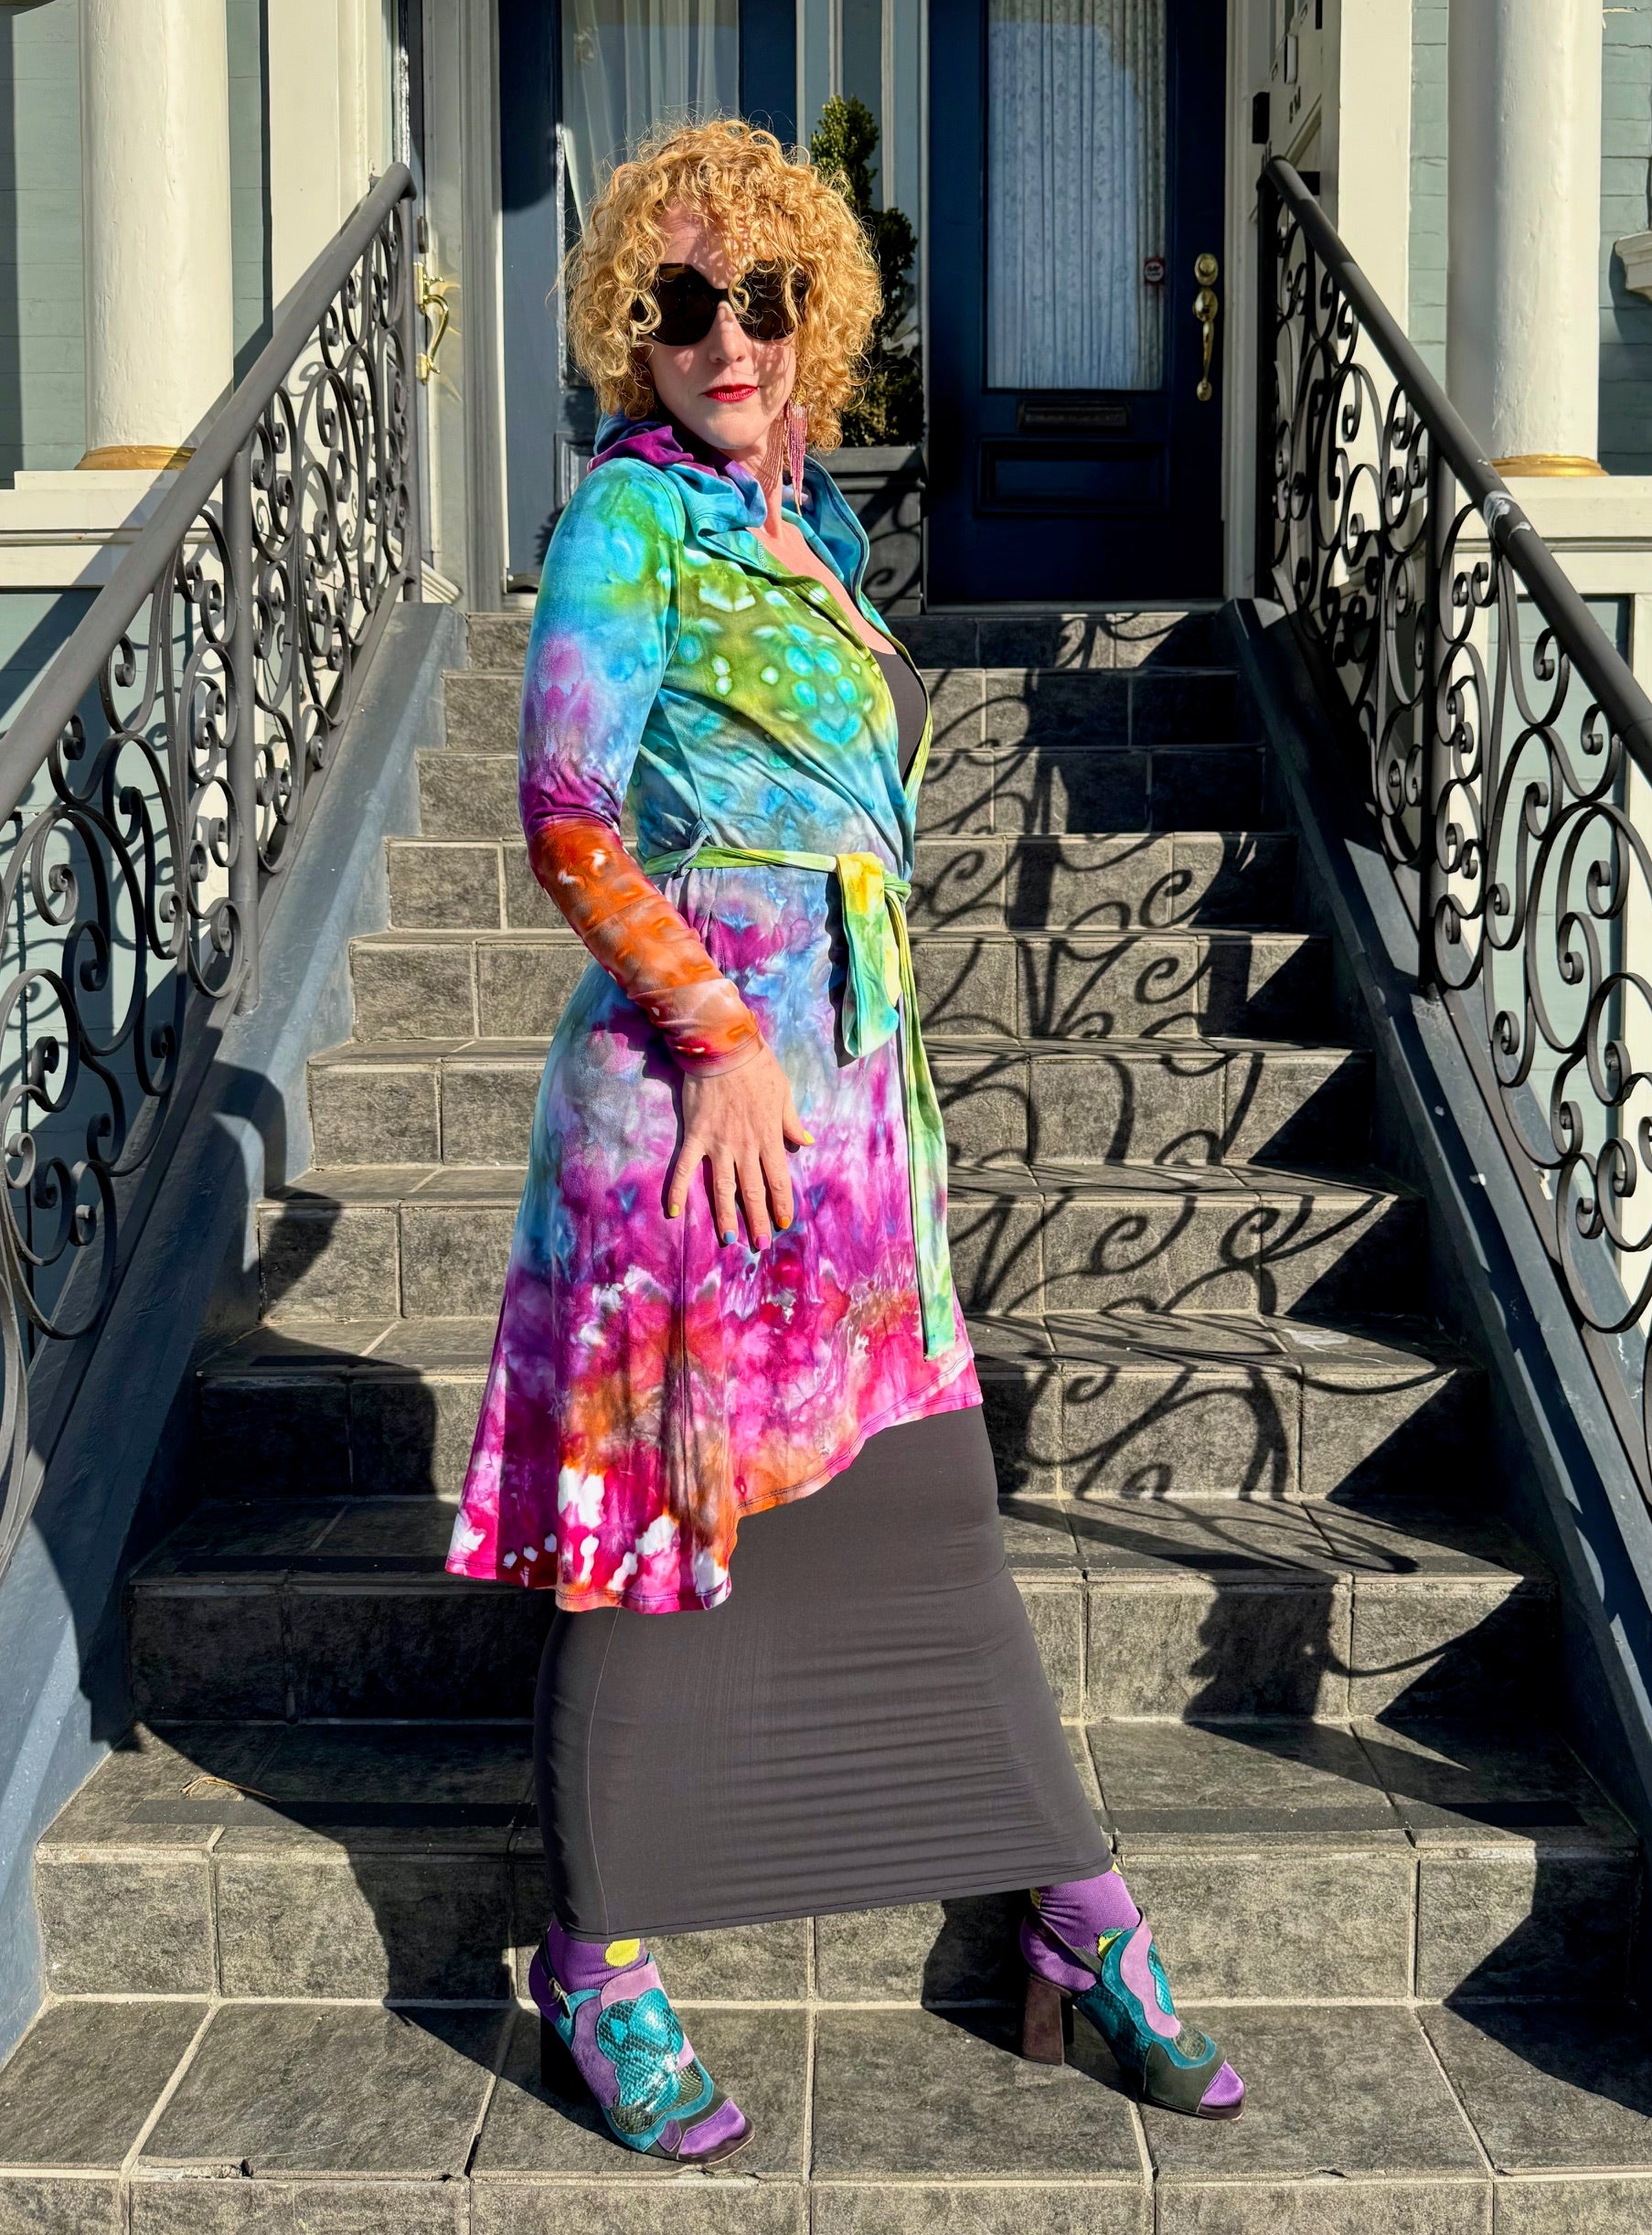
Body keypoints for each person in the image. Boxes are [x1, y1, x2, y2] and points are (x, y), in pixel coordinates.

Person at [445, 116, 1243, 2165]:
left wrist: (836, 1066)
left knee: (932, 1511)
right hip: (693, 1119)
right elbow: (566, 811)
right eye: (683, 302)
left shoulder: (815, 535)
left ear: (822, 313)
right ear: (633, 329)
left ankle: (1074, 1913)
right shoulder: (630, 516)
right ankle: (596, 1966)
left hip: (861, 1115)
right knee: (656, 1541)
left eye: (767, 296)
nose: (728, 335)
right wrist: (718, 1035)